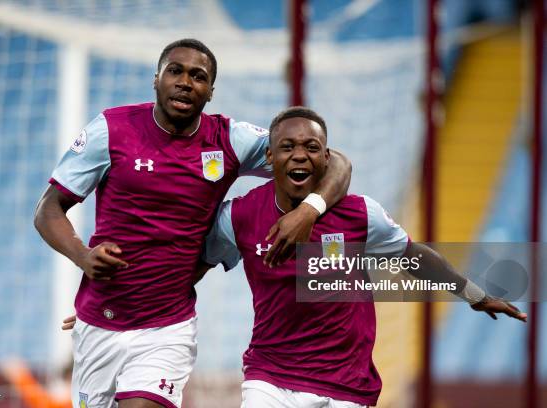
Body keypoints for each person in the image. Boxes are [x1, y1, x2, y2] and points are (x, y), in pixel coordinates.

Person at [34, 39, 352, 408]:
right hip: (99, 321)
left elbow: (336, 163)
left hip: (167, 328)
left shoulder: (230, 140)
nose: (186, 82)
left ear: (211, 91)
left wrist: (309, 209)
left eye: (198, 76)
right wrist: (83, 256)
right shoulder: (111, 129)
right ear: (156, 79)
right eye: (175, 71)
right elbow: (47, 209)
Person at [200, 106, 527, 408]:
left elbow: (412, 256)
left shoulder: (360, 214)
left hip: (346, 384)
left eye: (311, 148)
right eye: (288, 147)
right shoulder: (240, 216)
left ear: (327, 158)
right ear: (270, 156)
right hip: (272, 380)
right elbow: (195, 262)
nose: (300, 155)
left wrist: (474, 295)